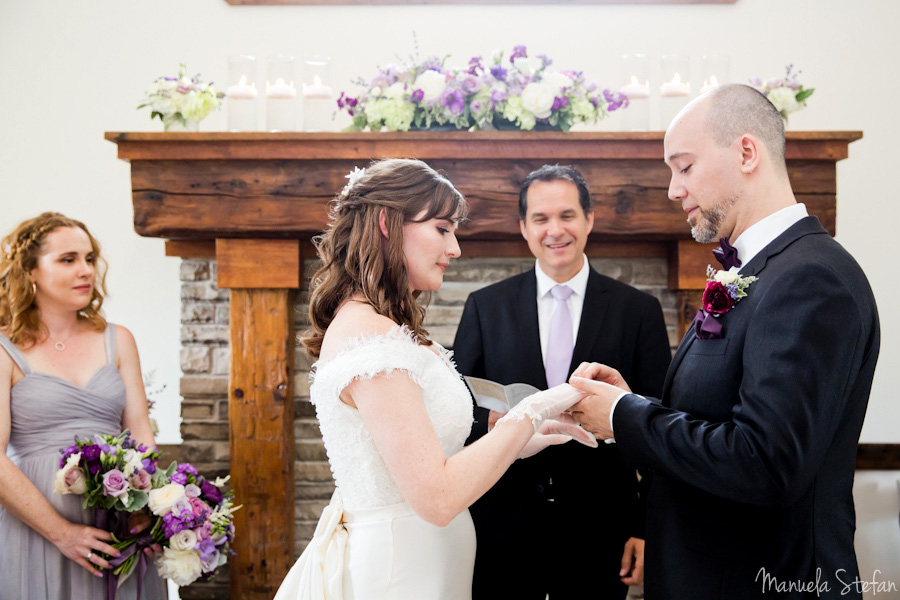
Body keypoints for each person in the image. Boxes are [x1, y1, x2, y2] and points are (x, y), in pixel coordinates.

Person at [568, 84, 880, 600]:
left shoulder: (810, 279)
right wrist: (633, 402)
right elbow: (720, 416)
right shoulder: (762, 268)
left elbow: (767, 461)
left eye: (684, 167)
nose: (673, 189)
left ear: (746, 152)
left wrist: (625, 416)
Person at [274, 159, 596, 600]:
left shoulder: (382, 325)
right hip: (400, 572)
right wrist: (533, 407)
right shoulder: (369, 335)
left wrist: (520, 441)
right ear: (388, 222)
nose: (456, 247)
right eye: (442, 228)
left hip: (428, 567)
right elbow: (438, 497)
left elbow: (428, 458)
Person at [453, 164, 672, 599]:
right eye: (541, 218)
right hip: (502, 523)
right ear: (523, 227)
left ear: (589, 219)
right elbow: (459, 410)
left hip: (601, 526)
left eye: (567, 215)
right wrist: (495, 422)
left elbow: (658, 424)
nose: (555, 230)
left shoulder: (638, 311)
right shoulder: (485, 306)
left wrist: (645, 528)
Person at [0, 212, 166, 599]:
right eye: (68, 259)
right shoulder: (5, 351)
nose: (86, 270)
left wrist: (150, 506)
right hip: (37, 527)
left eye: (89, 258)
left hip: (120, 523)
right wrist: (62, 533)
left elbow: (141, 433)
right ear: (30, 272)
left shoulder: (117, 339)